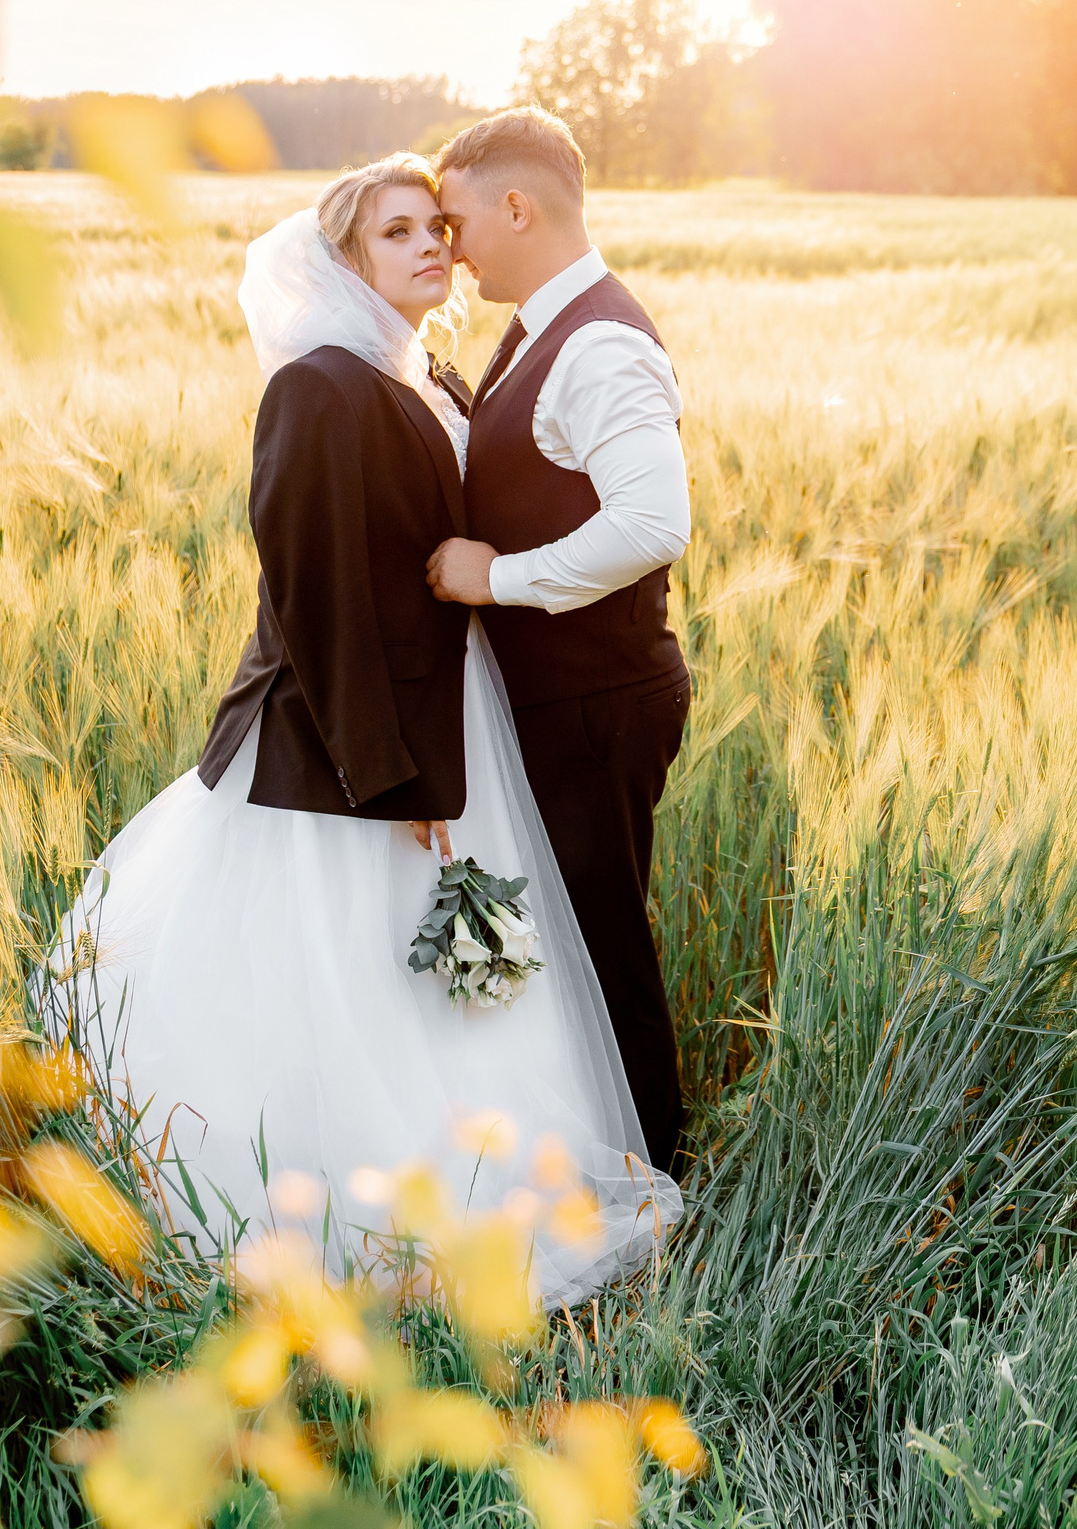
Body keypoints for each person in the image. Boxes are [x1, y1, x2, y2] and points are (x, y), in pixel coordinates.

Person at [51, 153, 678, 1307]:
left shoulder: (423, 372)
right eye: (398, 232)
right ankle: (345, 1206)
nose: (434, 244)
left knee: (433, 977)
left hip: (457, 714)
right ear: (345, 258)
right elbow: (316, 598)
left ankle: (475, 1163)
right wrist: (391, 782)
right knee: (345, 964)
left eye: (438, 225)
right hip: (352, 747)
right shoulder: (319, 387)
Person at [425, 109, 695, 1175]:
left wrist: (496, 578)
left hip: (597, 699)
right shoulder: (541, 324)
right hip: (561, 699)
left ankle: (658, 1173)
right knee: (572, 944)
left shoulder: (600, 342)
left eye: (456, 221)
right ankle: (598, 1153)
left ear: (516, 206)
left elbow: (650, 522)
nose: (449, 248)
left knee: (601, 941)